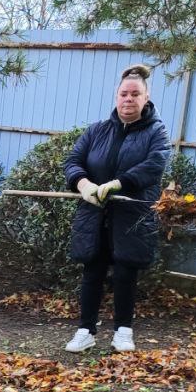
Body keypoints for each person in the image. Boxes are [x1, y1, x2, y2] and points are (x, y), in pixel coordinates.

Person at [63, 63, 170, 353]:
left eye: (135, 94)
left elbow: (154, 165)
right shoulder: (97, 130)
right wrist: (84, 184)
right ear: (116, 96)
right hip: (95, 215)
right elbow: (73, 161)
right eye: (124, 94)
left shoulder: (156, 132)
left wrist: (118, 184)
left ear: (146, 98)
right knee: (92, 271)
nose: (128, 99)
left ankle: (123, 331)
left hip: (131, 215)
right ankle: (85, 331)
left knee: (125, 273)